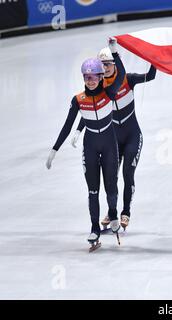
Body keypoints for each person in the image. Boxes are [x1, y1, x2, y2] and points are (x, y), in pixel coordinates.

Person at [46, 38, 126, 247]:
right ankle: (94, 229)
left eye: (94, 77)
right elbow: (67, 125)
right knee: (92, 191)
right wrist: (55, 149)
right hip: (90, 146)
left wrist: (114, 51)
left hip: (109, 144)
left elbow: (122, 74)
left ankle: (114, 213)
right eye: (87, 77)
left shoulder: (109, 93)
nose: (90, 80)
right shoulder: (78, 99)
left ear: (101, 77)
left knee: (110, 187)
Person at [71, 47, 157, 231]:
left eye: (109, 63)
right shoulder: (100, 88)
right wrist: (78, 129)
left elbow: (151, 76)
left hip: (133, 135)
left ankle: (126, 212)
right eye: (102, 65)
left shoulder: (128, 79)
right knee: (111, 179)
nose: (106, 67)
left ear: (115, 64)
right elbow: (90, 111)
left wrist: (154, 58)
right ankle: (112, 212)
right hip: (113, 140)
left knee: (128, 172)